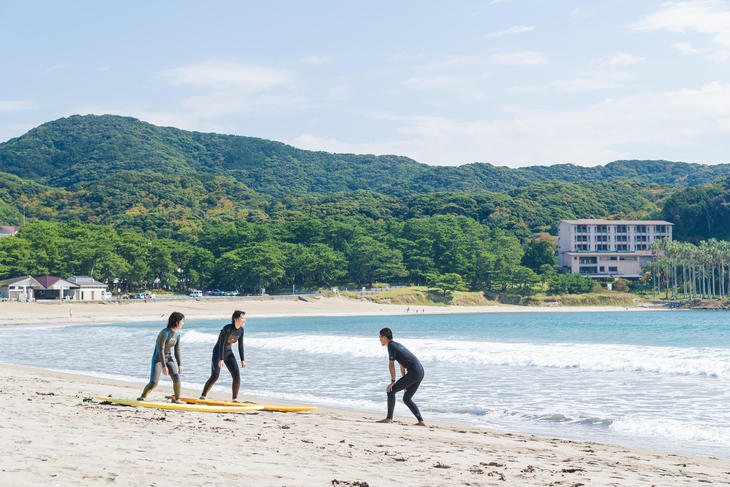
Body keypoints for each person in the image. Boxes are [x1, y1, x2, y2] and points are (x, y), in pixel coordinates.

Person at [378, 327, 426, 426]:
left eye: (380, 337)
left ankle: (389, 419)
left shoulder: (391, 346)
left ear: (384, 337)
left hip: (414, 372)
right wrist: (405, 382)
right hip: (420, 371)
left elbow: (391, 364)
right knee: (407, 398)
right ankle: (421, 421)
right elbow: (402, 365)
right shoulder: (397, 345)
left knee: (391, 390)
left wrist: (393, 381)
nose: (379, 339)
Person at [200, 310, 247, 401]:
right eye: (242, 318)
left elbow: (240, 345)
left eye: (244, 318)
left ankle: (234, 399)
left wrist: (242, 360)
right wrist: (221, 359)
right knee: (215, 376)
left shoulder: (241, 330)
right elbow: (221, 344)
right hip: (218, 352)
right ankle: (203, 395)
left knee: (236, 375)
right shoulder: (227, 328)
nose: (244, 320)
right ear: (235, 319)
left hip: (228, 353)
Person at [138, 311, 185, 402]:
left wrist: (180, 364)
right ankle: (143, 396)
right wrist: (164, 366)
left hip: (168, 358)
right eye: (182, 321)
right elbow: (161, 350)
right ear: (176, 322)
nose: (183, 323)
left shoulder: (177, 334)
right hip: (158, 359)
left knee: (176, 378)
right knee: (154, 383)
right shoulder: (164, 333)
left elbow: (177, 350)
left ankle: (177, 399)